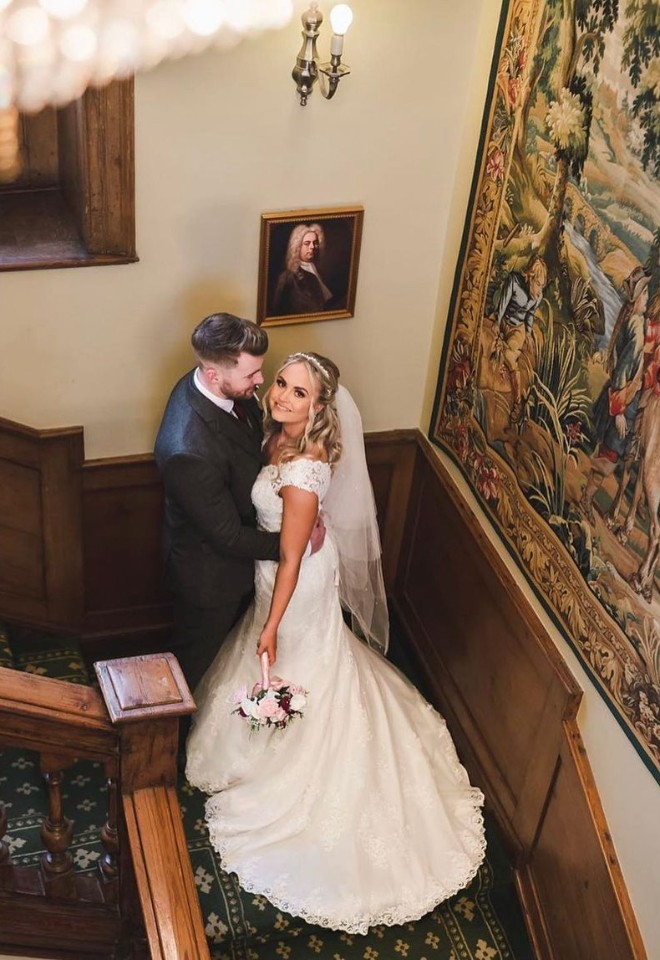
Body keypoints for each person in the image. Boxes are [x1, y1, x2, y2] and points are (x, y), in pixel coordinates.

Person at [185, 351, 486, 934]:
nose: (281, 397)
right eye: (280, 384)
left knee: (293, 662)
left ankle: (294, 762)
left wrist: (271, 623)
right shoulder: (276, 439)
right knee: (279, 662)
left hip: (293, 586)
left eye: (299, 394)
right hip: (274, 572)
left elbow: (294, 556)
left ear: (320, 407)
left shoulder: (306, 468)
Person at [153, 313, 281, 694]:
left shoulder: (215, 385)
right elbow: (228, 536)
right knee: (197, 671)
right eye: (251, 375)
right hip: (209, 578)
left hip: (238, 560)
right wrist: (295, 542)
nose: (261, 381)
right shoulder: (188, 451)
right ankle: (177, 746)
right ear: (213, 376)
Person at [579, 267, 650, 525]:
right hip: (623, 403)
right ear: (638, 297)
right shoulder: (637, 330)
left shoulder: (631, 319)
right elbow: (622, 371)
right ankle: (585, 495)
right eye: (645, 295)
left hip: (620, 399)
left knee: (606, 453)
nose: (647, 299)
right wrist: (619, 411)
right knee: (608, 459)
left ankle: (587, 493)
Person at [492, 254, 549, 422]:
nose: (539, 290)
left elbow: (529, 315)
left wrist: (529, 332)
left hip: (518, 329)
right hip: (504, 321)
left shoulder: (537, 297)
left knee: (510, 355)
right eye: (537, 284)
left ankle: (517, 403)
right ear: (529, 276)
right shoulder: (514, 282)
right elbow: (503, 302)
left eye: (542, 286)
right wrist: (497, 320)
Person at [271, 222, 333, 316]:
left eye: (315, 243)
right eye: (307, 243)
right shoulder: (287, 277)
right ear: (297, 246)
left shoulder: (319, 271)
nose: (312, 247)